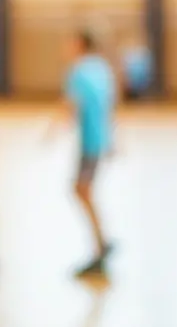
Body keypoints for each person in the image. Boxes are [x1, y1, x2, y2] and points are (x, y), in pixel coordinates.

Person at [49, 29, 117, 276]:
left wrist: (52, 129)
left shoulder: (78, 71)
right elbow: (110, 102)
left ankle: (101, 245)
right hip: (101, 139)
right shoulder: (101, 67)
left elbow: (72, 104)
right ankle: (102, 242)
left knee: (82, 190)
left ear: (79, 43)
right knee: (83, 191)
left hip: (89, 142)